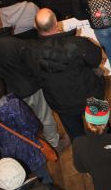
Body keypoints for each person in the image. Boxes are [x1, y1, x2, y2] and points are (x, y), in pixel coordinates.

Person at [0, 9, 63, 153]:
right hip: (30, 89)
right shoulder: (14, 43)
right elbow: (34, 65)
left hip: (5, 97)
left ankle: (33, 147)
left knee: (20, 124)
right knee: (45, 117)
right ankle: (53, 143)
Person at [26, 8, 105, 141]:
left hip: (61, 102)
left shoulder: (30, 52)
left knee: (77, 139)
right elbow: (97, 58)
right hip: (91, 95)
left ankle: (85, 159)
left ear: (36, 26)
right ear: (56, 22)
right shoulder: (77, 43)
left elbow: (34, 76)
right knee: (103, 133)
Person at [0, 75, 52, 185]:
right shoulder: (14, 105)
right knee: (42, 173)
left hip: (8, 153)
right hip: (28, 146)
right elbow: (32, 124)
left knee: (18, 178)